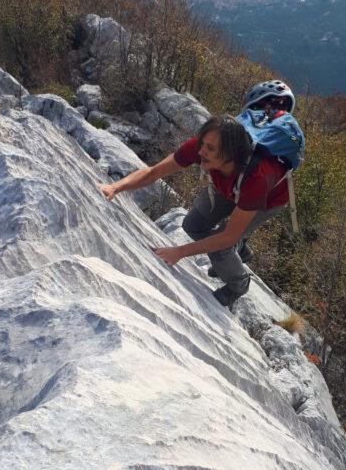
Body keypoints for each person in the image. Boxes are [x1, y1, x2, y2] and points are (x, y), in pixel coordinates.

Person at [99, 82, 296, 310]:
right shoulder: (204, 146)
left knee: (221, 246)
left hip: (266, 200)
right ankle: (241, 251)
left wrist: (179, 252)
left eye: (210, 149)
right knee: (193, 225)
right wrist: (115, 188)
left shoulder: (258, 177)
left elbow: (227, 237)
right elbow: (153, 172)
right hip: (228, 186)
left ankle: (238, 284)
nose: (202, 152)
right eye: (203, 144)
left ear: (232, 154)